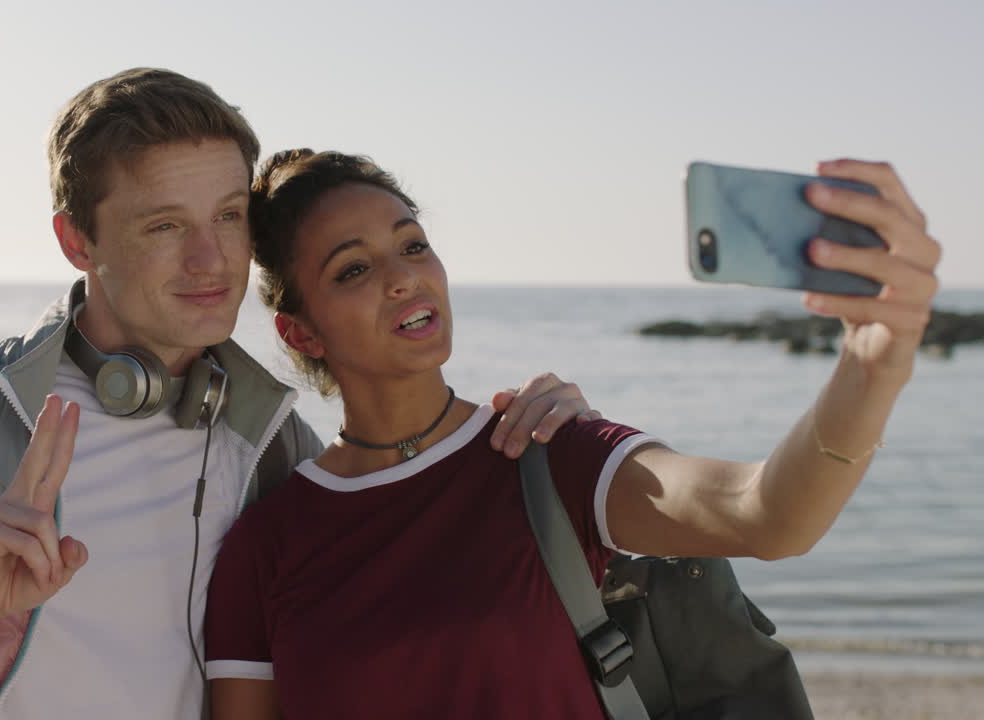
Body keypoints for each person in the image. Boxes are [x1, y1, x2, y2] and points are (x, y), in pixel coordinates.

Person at [0, 69, 598, 720]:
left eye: (229, 217)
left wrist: (545, 438)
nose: (212, 261)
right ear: (78, 240)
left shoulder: (275, 452)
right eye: (164, 226)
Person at [202, 150, 941, 719]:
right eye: (355, 268)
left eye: (414, 245)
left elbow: (767, 513)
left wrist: (872, 365)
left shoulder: (547, 451)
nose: (404, 278)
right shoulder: (265, 546)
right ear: (299, 332)